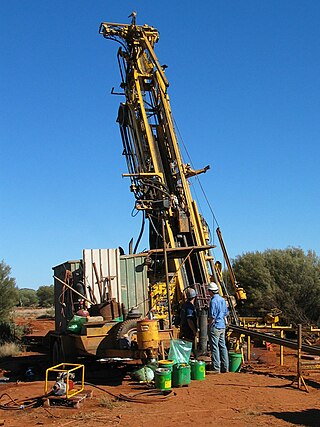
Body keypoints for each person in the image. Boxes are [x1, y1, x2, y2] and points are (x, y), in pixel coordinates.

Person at [207, 282, 229, 373]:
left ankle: (216, 368)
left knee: (215, 347)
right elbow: (226, 313)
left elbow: (212, 316)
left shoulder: (213, 301)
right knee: (223, 346)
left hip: (215, 326)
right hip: (222, 326)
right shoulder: (222, 300)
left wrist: (209, 326)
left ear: (211, 291)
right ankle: (225, 367)